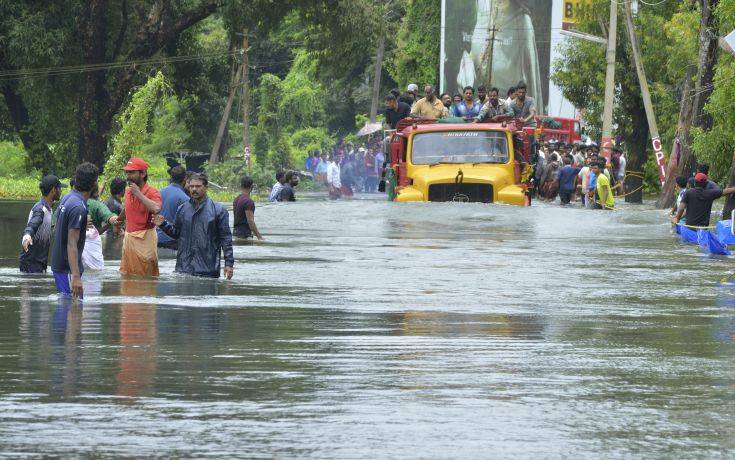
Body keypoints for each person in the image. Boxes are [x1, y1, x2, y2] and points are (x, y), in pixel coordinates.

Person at [154, 173, 234, 279]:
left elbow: (226, 240)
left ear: (206, 188)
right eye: (191, 186)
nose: (194, 189)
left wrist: (229, 264)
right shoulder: (182, 209)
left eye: (198, 186)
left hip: (207, 269)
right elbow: (176, 234)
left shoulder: (218, 210)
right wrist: (164, 224)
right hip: (183, 268)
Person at [51, 162, 99, 299]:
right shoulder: (78, 206)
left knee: (69, 309)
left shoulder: (68, 197)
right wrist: (76, 276)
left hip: (61, 265)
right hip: (67, 268)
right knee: (71, 309)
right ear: (94, 183)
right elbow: (72, 243)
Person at [118, 157, 162, 277]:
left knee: (145, 279)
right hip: (129, 241)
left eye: (131, 172)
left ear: (143, 174)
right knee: (127, 278)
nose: (127, 176)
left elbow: (156, 209)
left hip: (145, 242)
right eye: (126, 172)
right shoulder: (128, 191)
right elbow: (127, 209)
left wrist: (138, 194)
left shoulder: (153, 192)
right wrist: (117, 222)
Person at [20, 175, 65, 273]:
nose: (61, 191)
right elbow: (33, 224)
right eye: (60, 188)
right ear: (53, 190)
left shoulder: (49, 209)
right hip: (31, 264)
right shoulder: (40, 209)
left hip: (39, 263)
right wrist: (27, 236)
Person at [83, 183, 119, 270]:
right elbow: (109, 216)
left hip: (74, 246)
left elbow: (96, 232)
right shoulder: (97, 205)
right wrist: (114, 220)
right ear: (95, 193)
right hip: (92, 250)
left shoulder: (71, 201)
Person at [157, 165, 189, 250]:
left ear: (171, 177)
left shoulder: (158, 192)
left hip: (156, 239)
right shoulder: (185, 198)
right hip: (172, 241)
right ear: (185, 178)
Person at [232, 176, 264, 240]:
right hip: (244, 235)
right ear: (252, 187)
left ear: (241, 186)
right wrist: (259, 237)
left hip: (235, 233)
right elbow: (250, 221)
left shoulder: (236, 199)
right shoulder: (249, 202)